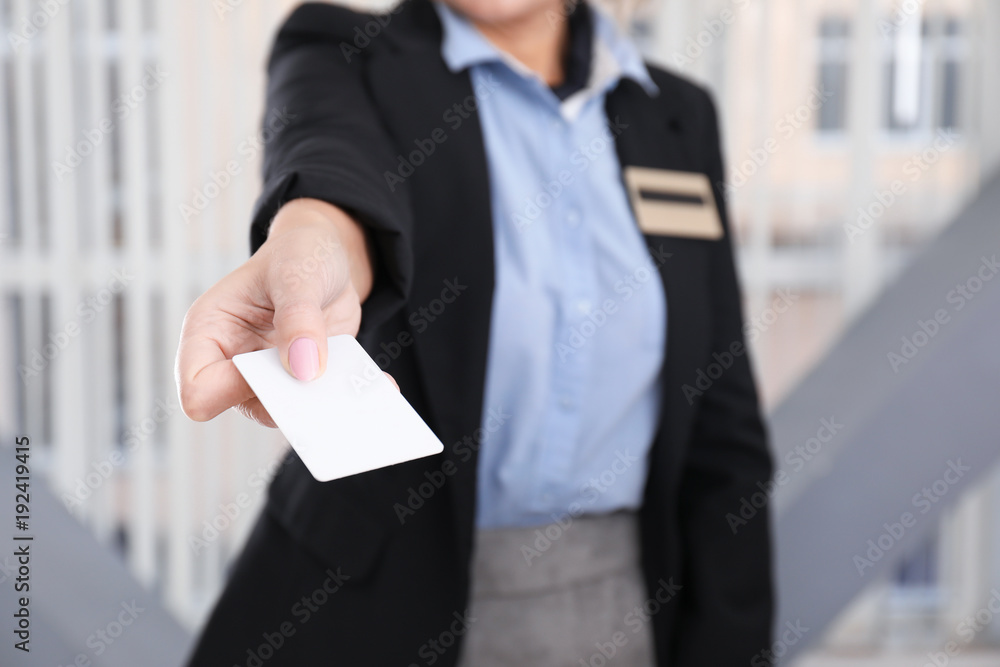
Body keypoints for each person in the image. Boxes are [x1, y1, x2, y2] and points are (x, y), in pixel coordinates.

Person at [177, 0, 774, 664]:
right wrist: (315, 236)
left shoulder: (678, 114)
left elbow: (722, 426)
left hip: (621, 608)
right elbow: (331, 160)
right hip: (374, 602)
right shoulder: (346, 51)